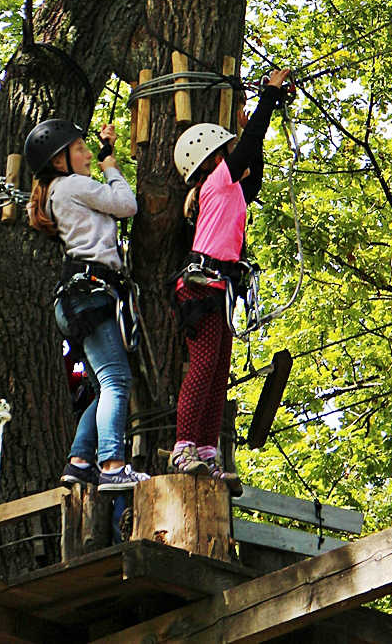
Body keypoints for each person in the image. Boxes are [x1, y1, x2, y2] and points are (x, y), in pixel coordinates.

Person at [169, 68, 292, 497]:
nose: (234, 154)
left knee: (219, 371)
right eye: (228, 149)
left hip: (219, 288)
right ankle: (183, 446)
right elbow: (250, 148)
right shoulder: (215, 182)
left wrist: (251, 125)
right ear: (212, 158)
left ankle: (205, 450)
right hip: (202, 286)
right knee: (203, 368)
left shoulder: (231, 188)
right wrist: (269, 96)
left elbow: (252, 169)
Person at [26, 118, 150, 491]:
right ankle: (112, 464)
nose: (87, 154)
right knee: (116, 380)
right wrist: (111, 169)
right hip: (91, 293)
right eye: (80, 149)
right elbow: (127, 206)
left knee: (102, 385)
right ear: (60, 160)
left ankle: (80, 462)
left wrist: (106, 153)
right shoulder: (73, 185)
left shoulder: (57, 191)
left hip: (75, 298)